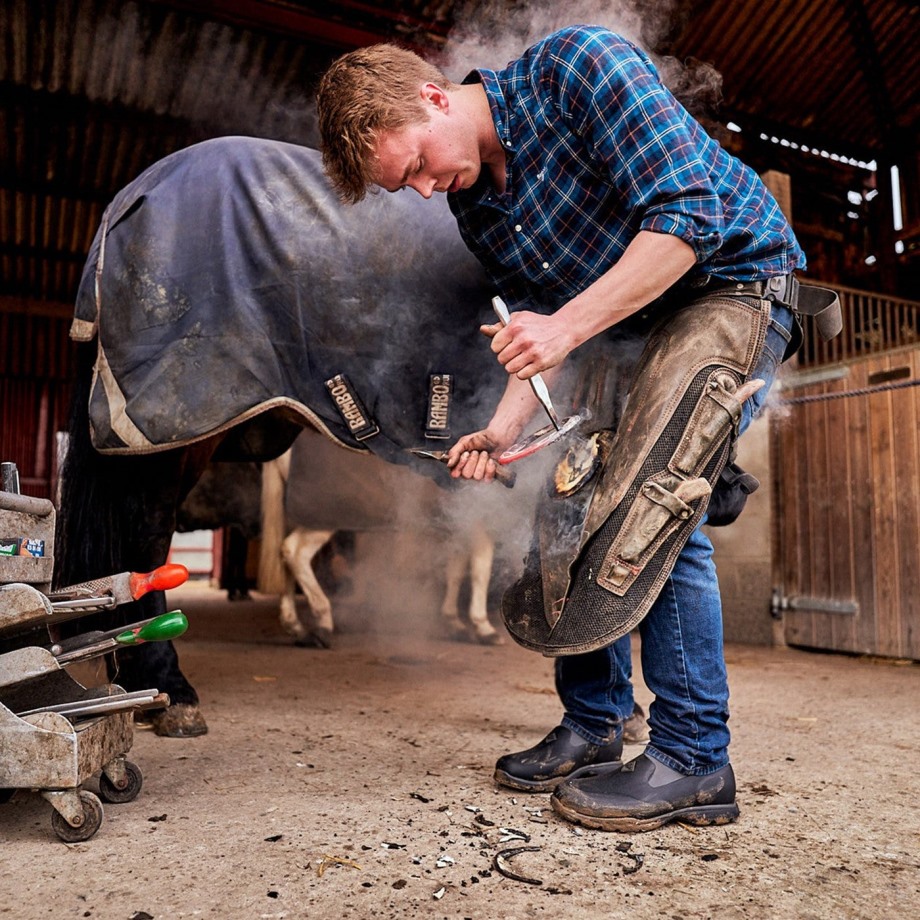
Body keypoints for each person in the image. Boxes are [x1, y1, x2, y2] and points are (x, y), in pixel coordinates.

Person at [316, 25, 807, 832]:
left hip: (730, 286)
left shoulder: (580, 66)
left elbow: (689, 219)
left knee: (654, 504)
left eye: (417, 166)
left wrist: (565, 328)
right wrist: (502, 430)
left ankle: (695, 759)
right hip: (627, 326)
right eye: (407, 187)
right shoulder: (477, 205)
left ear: (433, 97)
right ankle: (596, 722)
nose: (427, 192)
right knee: (564, 507)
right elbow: (539, 329)